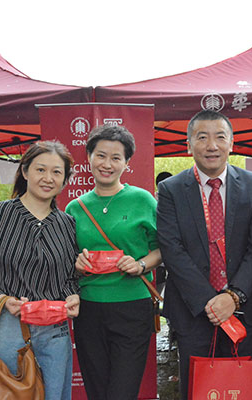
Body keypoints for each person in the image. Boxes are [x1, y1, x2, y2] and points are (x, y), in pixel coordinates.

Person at [157, 110, 252, 400]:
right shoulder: (170, 190)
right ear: (189, 145)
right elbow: (171, 249)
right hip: (193, 310)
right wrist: (210, 301)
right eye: (202, 137)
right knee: (198, 388)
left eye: (220, 137)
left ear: (231, 143)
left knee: (241, 388)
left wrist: (233, 297)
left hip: (242, 310)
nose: (212, 146)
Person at [0, 141, 80, 400]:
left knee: (54, 394)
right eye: (40, 170)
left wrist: (72, 295)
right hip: (5, 326)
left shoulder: (67, 224)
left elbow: (70, 275)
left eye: (56, 172)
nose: (48, 178)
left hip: (54, 328)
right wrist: (1, 299)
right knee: (1, 393)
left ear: (65, 180)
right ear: (25, 172)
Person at [66, 124, 162, 400]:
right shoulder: (75, 208)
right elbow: (66, 258)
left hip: (133, 307)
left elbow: (162, 249)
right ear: (89, 157)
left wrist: (140, 265)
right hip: (89, 309)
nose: (107, 164)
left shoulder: (143, 200)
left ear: (127, 163)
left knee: (123, 390)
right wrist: (76, 263)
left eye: (116, 158)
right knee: (97, 389)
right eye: (100, 155)